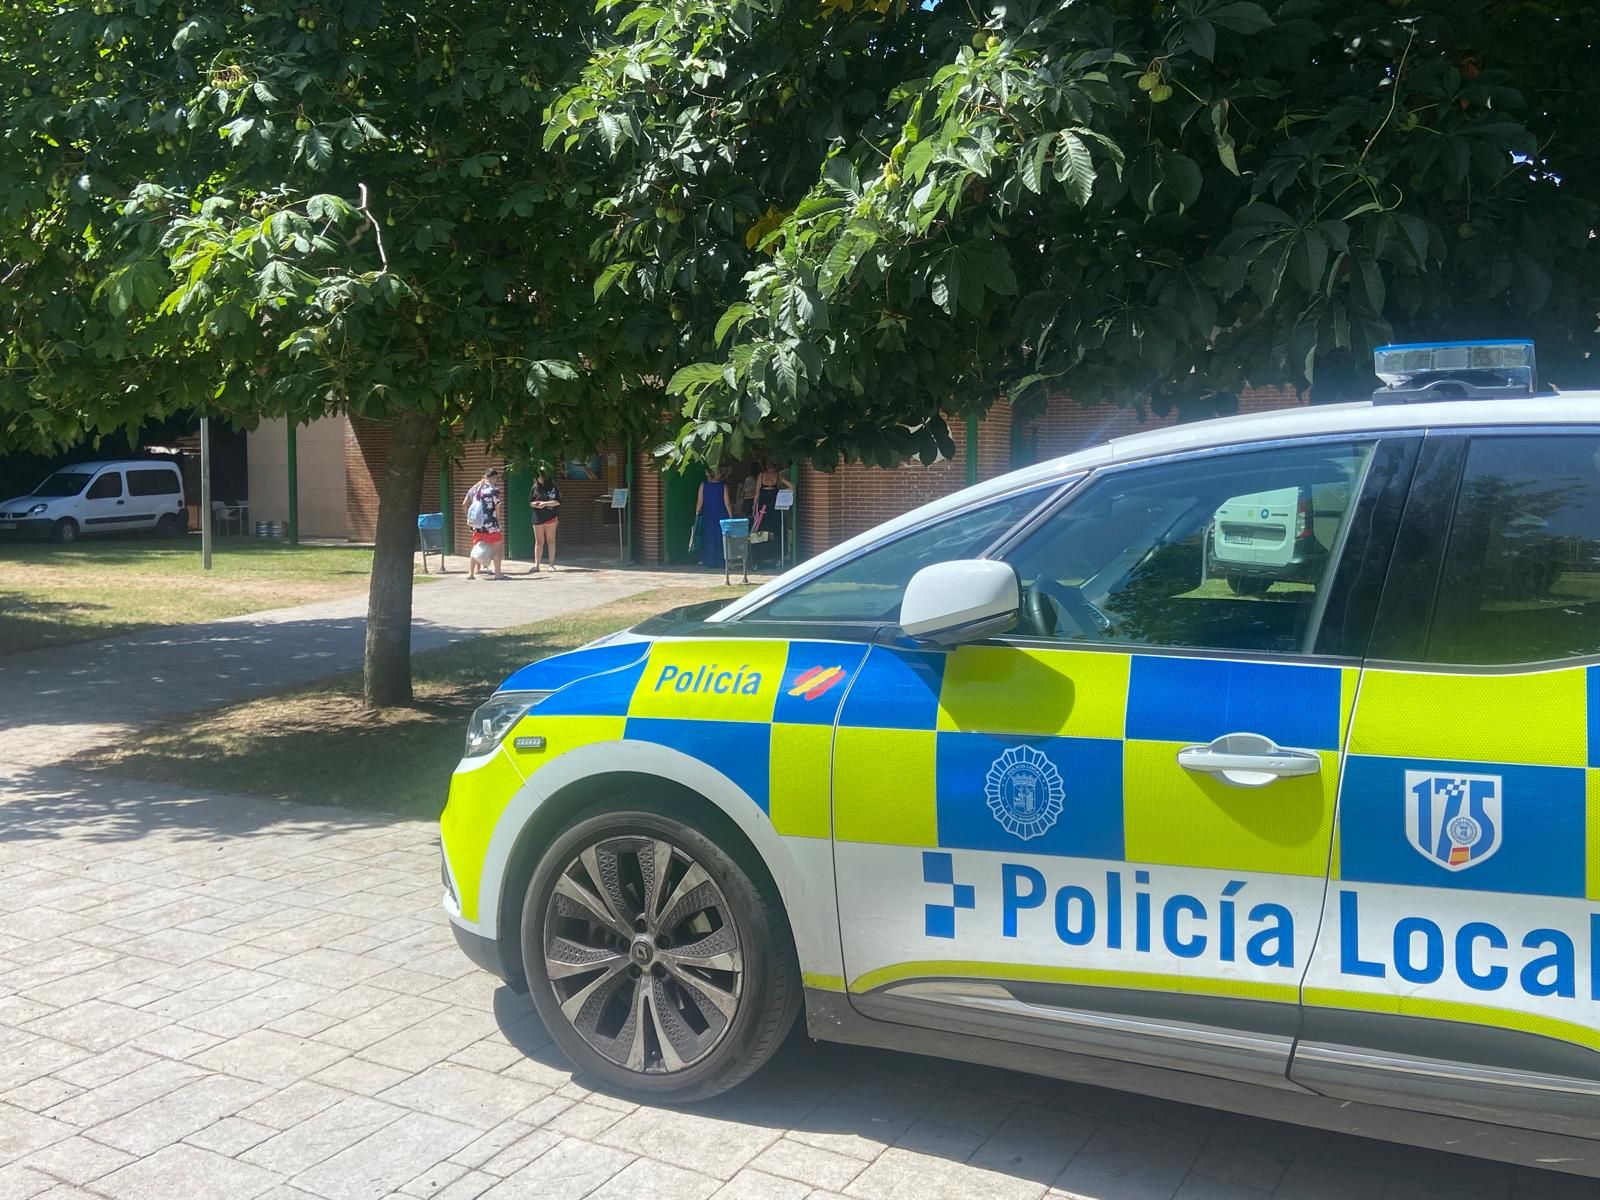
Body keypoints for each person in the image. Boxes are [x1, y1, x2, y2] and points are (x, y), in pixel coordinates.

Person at [463, 466, 505, 579]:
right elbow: (497, 507)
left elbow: (464, 503)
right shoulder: (494, 490)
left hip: (477, 525)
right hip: (491, 524)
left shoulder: (474, 489)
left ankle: (471, 574)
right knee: (497, 548)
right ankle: (498, 574)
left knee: (476, 548)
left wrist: (470, 518)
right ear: (494, 478)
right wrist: (498, 522)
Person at [749, 459, 792, 565]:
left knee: (762, 531)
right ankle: (776, 555)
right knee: (776, 530)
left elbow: (757, 494)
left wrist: (754, 507)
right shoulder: (777, 476)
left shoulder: (761, 476)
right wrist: (783, 492)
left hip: (763, 507)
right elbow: (791, 486)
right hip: (774, 506)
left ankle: (762, 555)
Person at [693, 467, 731, 569]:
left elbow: (699, 502)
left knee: (709, 536)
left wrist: (697, 515)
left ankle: (709, 560)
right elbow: (727, 503)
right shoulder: (723, 486)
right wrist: (731, 516)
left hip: (708, 514)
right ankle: (721, 561)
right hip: (721, 514)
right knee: (720, 537)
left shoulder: (703, 486)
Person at [529, 469, 561, 573]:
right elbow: (530, 501)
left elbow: (557, 502)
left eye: (541, 477)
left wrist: (545, 504)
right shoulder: (535, 487)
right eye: (537, 477)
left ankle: (551, 565)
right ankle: (536, 565)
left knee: (551, 540)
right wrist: (534, 504)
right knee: (539, 541)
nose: (539, 479)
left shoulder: (553, 487)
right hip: (537, 517)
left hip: (550, 517)